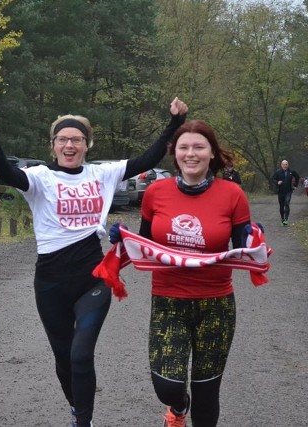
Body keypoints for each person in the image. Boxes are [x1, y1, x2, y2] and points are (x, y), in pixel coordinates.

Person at [0, 97, 188, 427]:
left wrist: (174, 123)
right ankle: (77, 409)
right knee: (63, 358)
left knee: (80, 354)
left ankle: (83, 422)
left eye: (76, 139)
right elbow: (7, 173)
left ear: (87, 145)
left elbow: (147, 158)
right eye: (63, 139)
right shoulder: (40, 178)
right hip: (50, 283)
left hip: (93, 279)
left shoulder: (102, 174)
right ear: (54, 145)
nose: (69, 144)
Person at [111, 120, 256, 426]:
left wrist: (254, 236)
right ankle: (178, 408)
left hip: (215, 303)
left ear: (212, 153)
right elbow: (145, 242)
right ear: (174, 154)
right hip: (168, 301)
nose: (191, 154)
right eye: (184, 147)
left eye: (199, 147)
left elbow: (244, 246)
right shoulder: (155, 192)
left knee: (207, 391)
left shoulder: (233, 194)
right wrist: (123, 237)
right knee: (168, 386)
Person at [271, 159, 300, 226]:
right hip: (280, 191)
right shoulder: (278, 172)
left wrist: (295, 185)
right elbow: (273, 179)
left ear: (288, 165)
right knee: (281, 206)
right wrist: (277, 182)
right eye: (284, 164)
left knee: (287, 203)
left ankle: (286, 219)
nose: (285, 166)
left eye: (286, 164)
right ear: (281, 165)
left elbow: (297, 177)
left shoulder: (291, 171)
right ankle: (282, 219)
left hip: (289, 191)